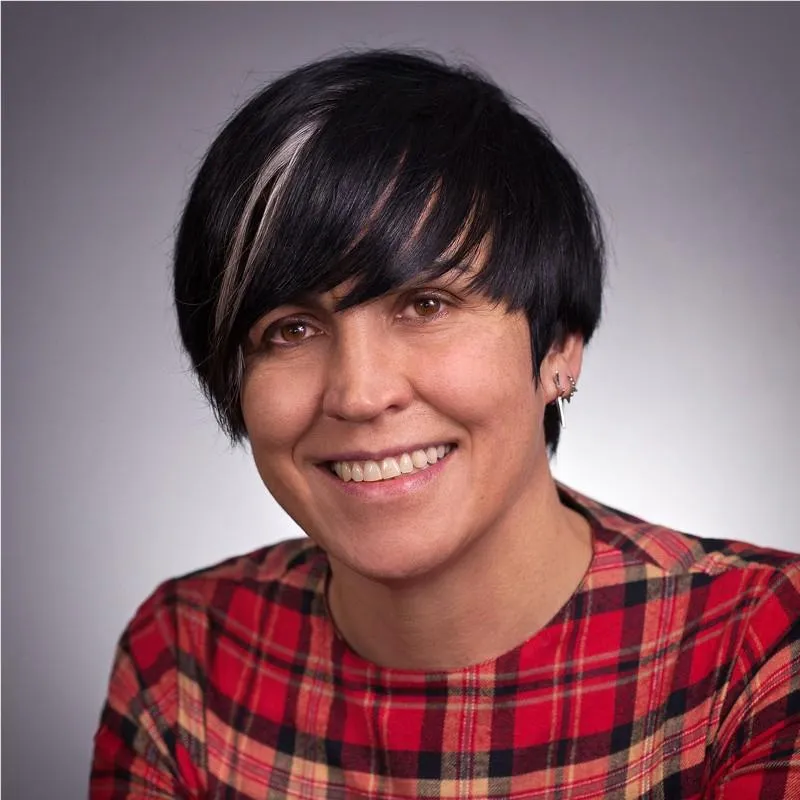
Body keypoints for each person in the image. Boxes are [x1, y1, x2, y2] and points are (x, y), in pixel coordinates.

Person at [90, 50, 800, 799]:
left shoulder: (759, 646)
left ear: (560, 346)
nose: (360, 395)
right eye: (290, 329)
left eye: (426, 305)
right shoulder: (187, 652)